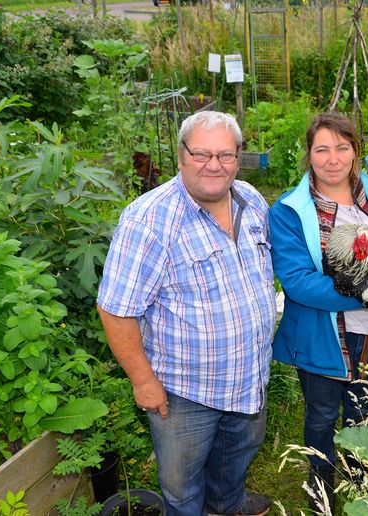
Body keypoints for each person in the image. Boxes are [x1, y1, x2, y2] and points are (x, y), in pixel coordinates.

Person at [96, 111, 277, 516]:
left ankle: (226, 503)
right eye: (202, 153)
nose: (214, 165)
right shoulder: (149, 220)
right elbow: (115, 311)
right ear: (181, 156)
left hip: (249, 376)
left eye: (226, 155)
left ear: (237, 157)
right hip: (184, 392)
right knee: (181, 486)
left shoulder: (252, 201)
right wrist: (143, 381)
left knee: (238, 457)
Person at [268, 111, 368, 514]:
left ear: (355, 151)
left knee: (367, 412)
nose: (333, 158)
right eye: (322, 148)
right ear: (308, 155)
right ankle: (321, 489)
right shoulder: (290, 211)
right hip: (321, 335)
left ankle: (363, 484)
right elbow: (299, 282)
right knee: (322, 415)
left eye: (341, 147)